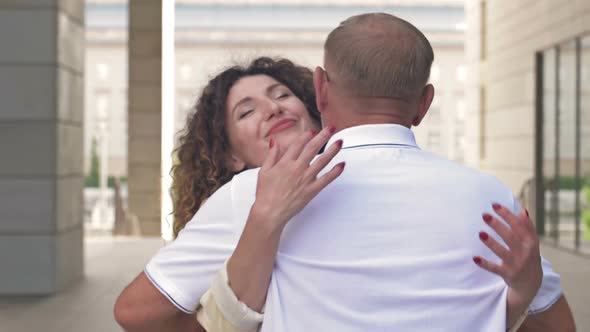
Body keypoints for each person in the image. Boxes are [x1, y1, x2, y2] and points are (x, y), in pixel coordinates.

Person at [115, 15, 574, 331]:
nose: (273, 109)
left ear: (317, 95)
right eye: (246, 112)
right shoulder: (488, 196)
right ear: (424, 102)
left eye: (280, 95)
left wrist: (520, 294)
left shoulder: (249, 194)